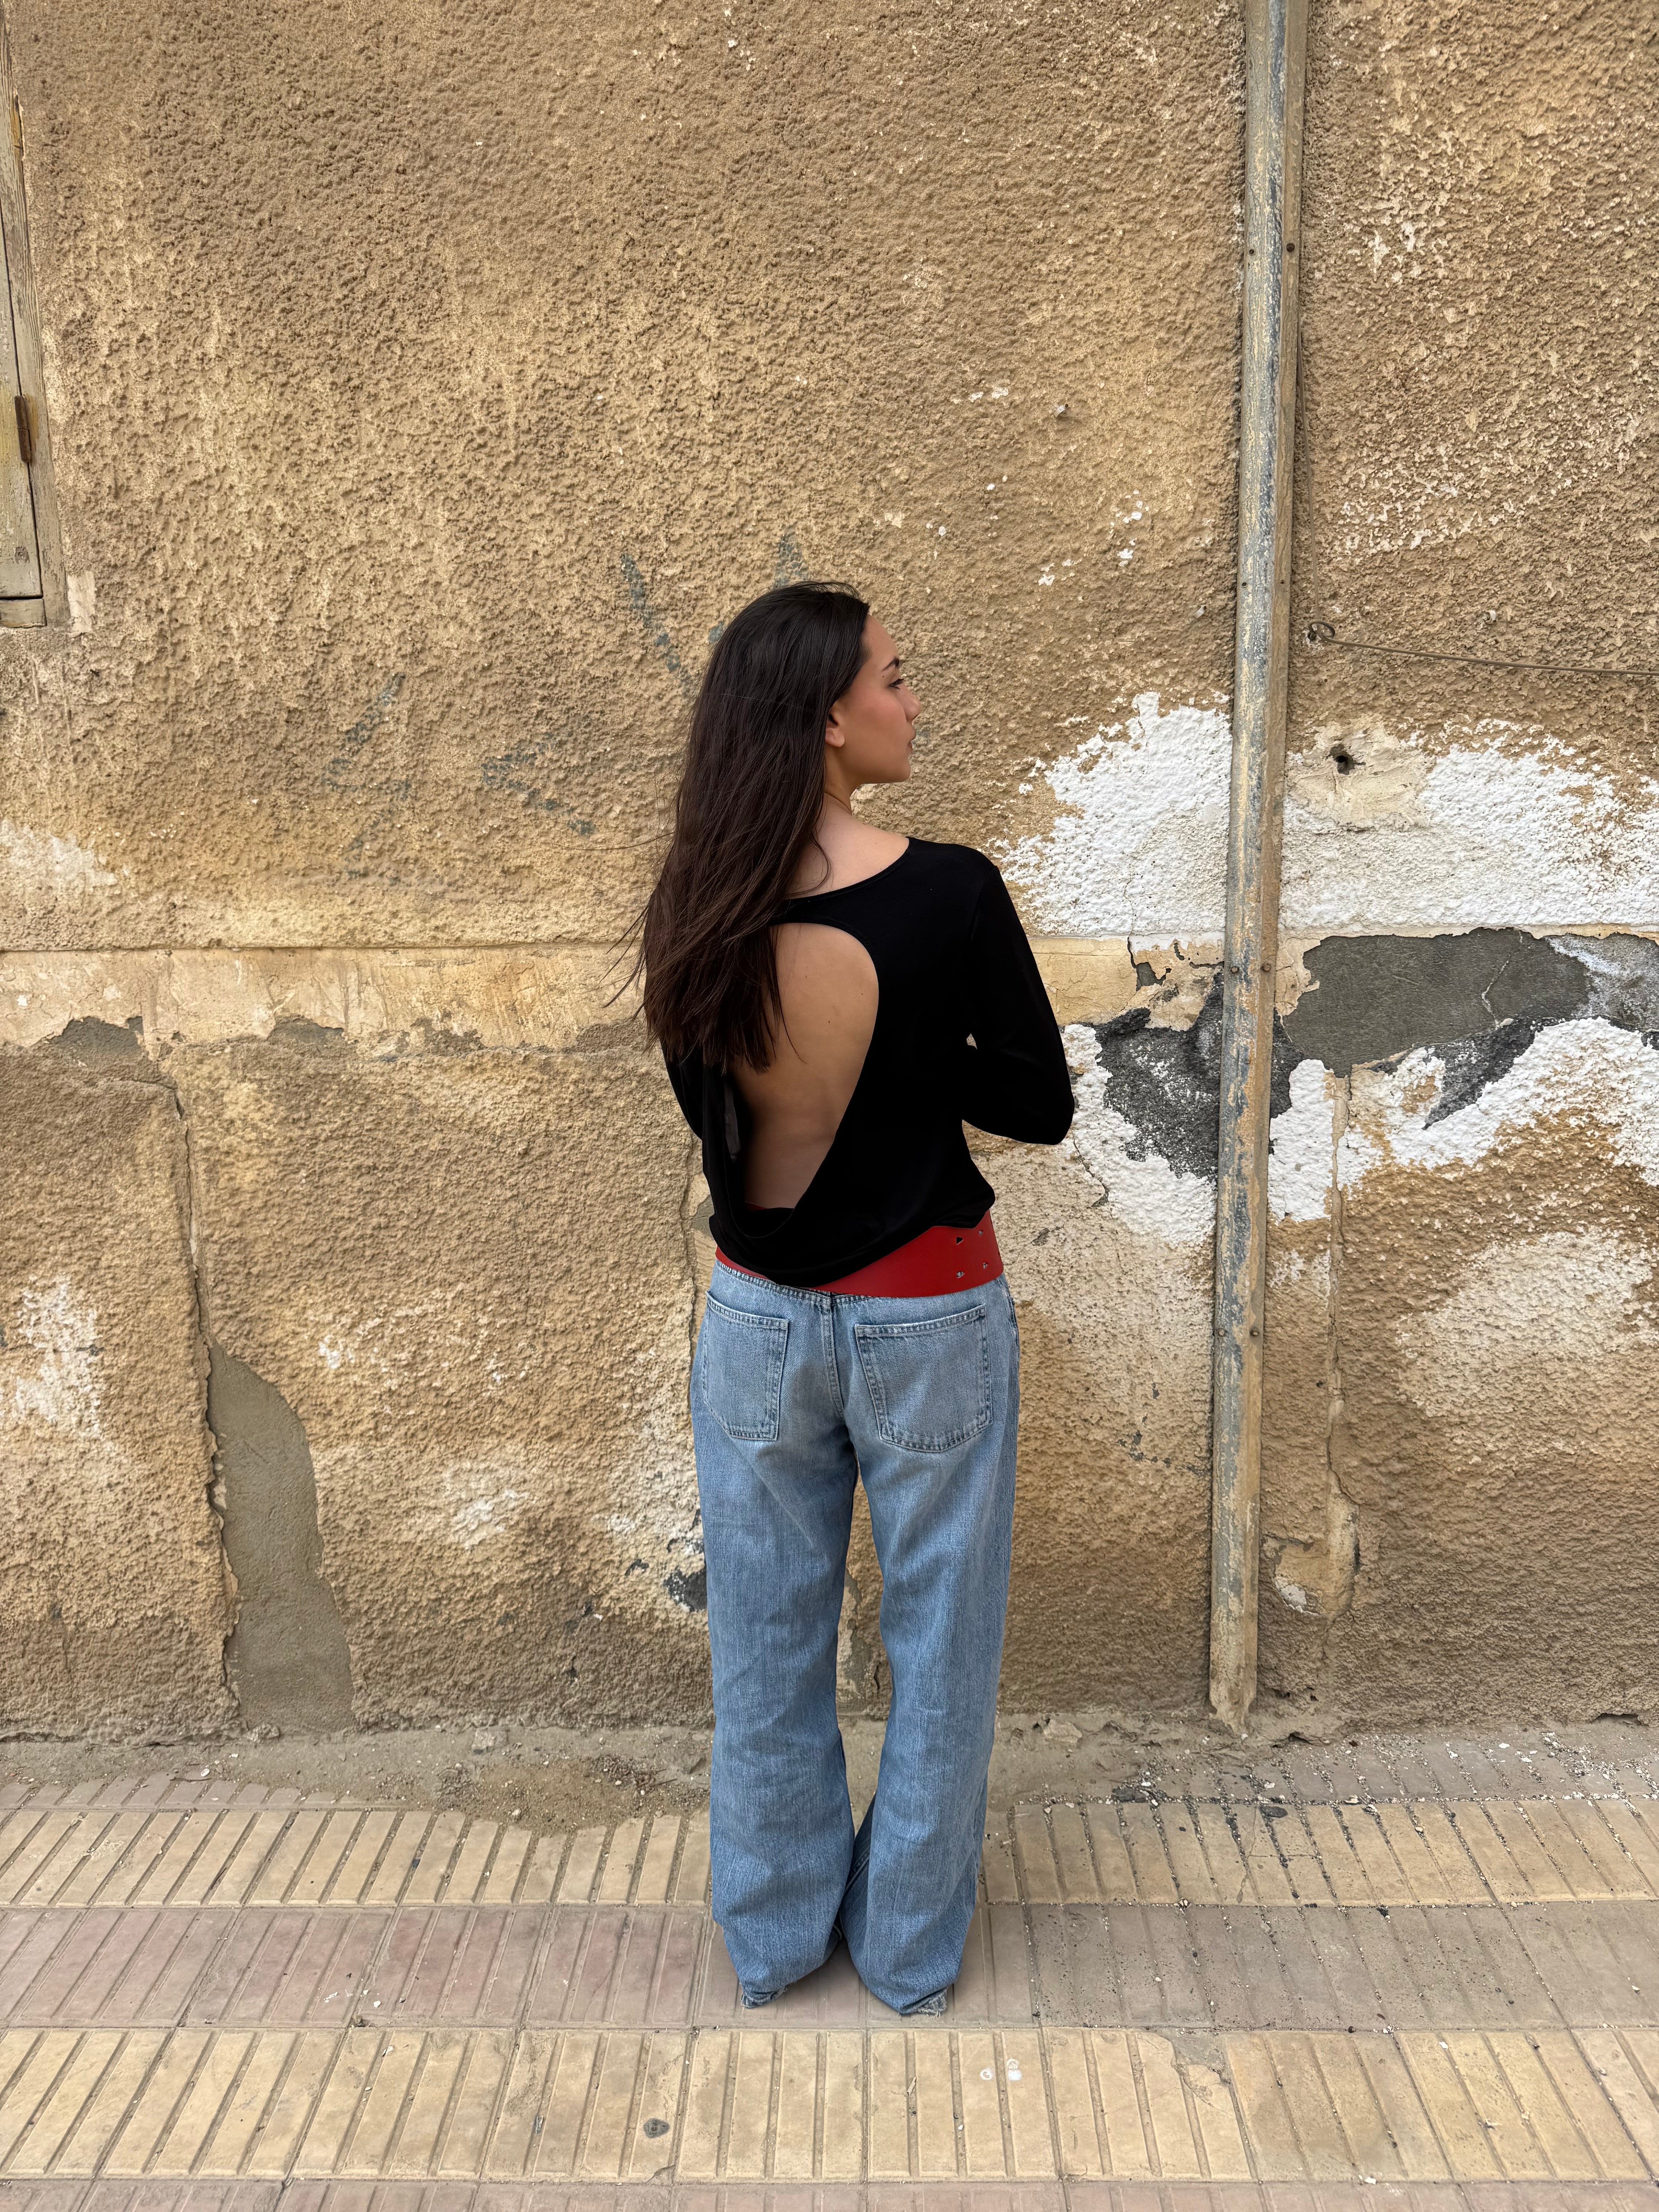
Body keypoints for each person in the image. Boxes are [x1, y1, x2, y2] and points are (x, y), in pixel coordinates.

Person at [637, 580, 1073, 2016]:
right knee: (940, 1650)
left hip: (756, 1322)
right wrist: (913, 1041)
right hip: (928, 1313)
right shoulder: (949, 892)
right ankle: (905, 1953)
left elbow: (715, 1122)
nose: (909, 698)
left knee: (762, 1647)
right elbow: (1039, 1104)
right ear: (830, 717)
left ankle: (772, 1944)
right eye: (893, 675)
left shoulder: (699, 902)